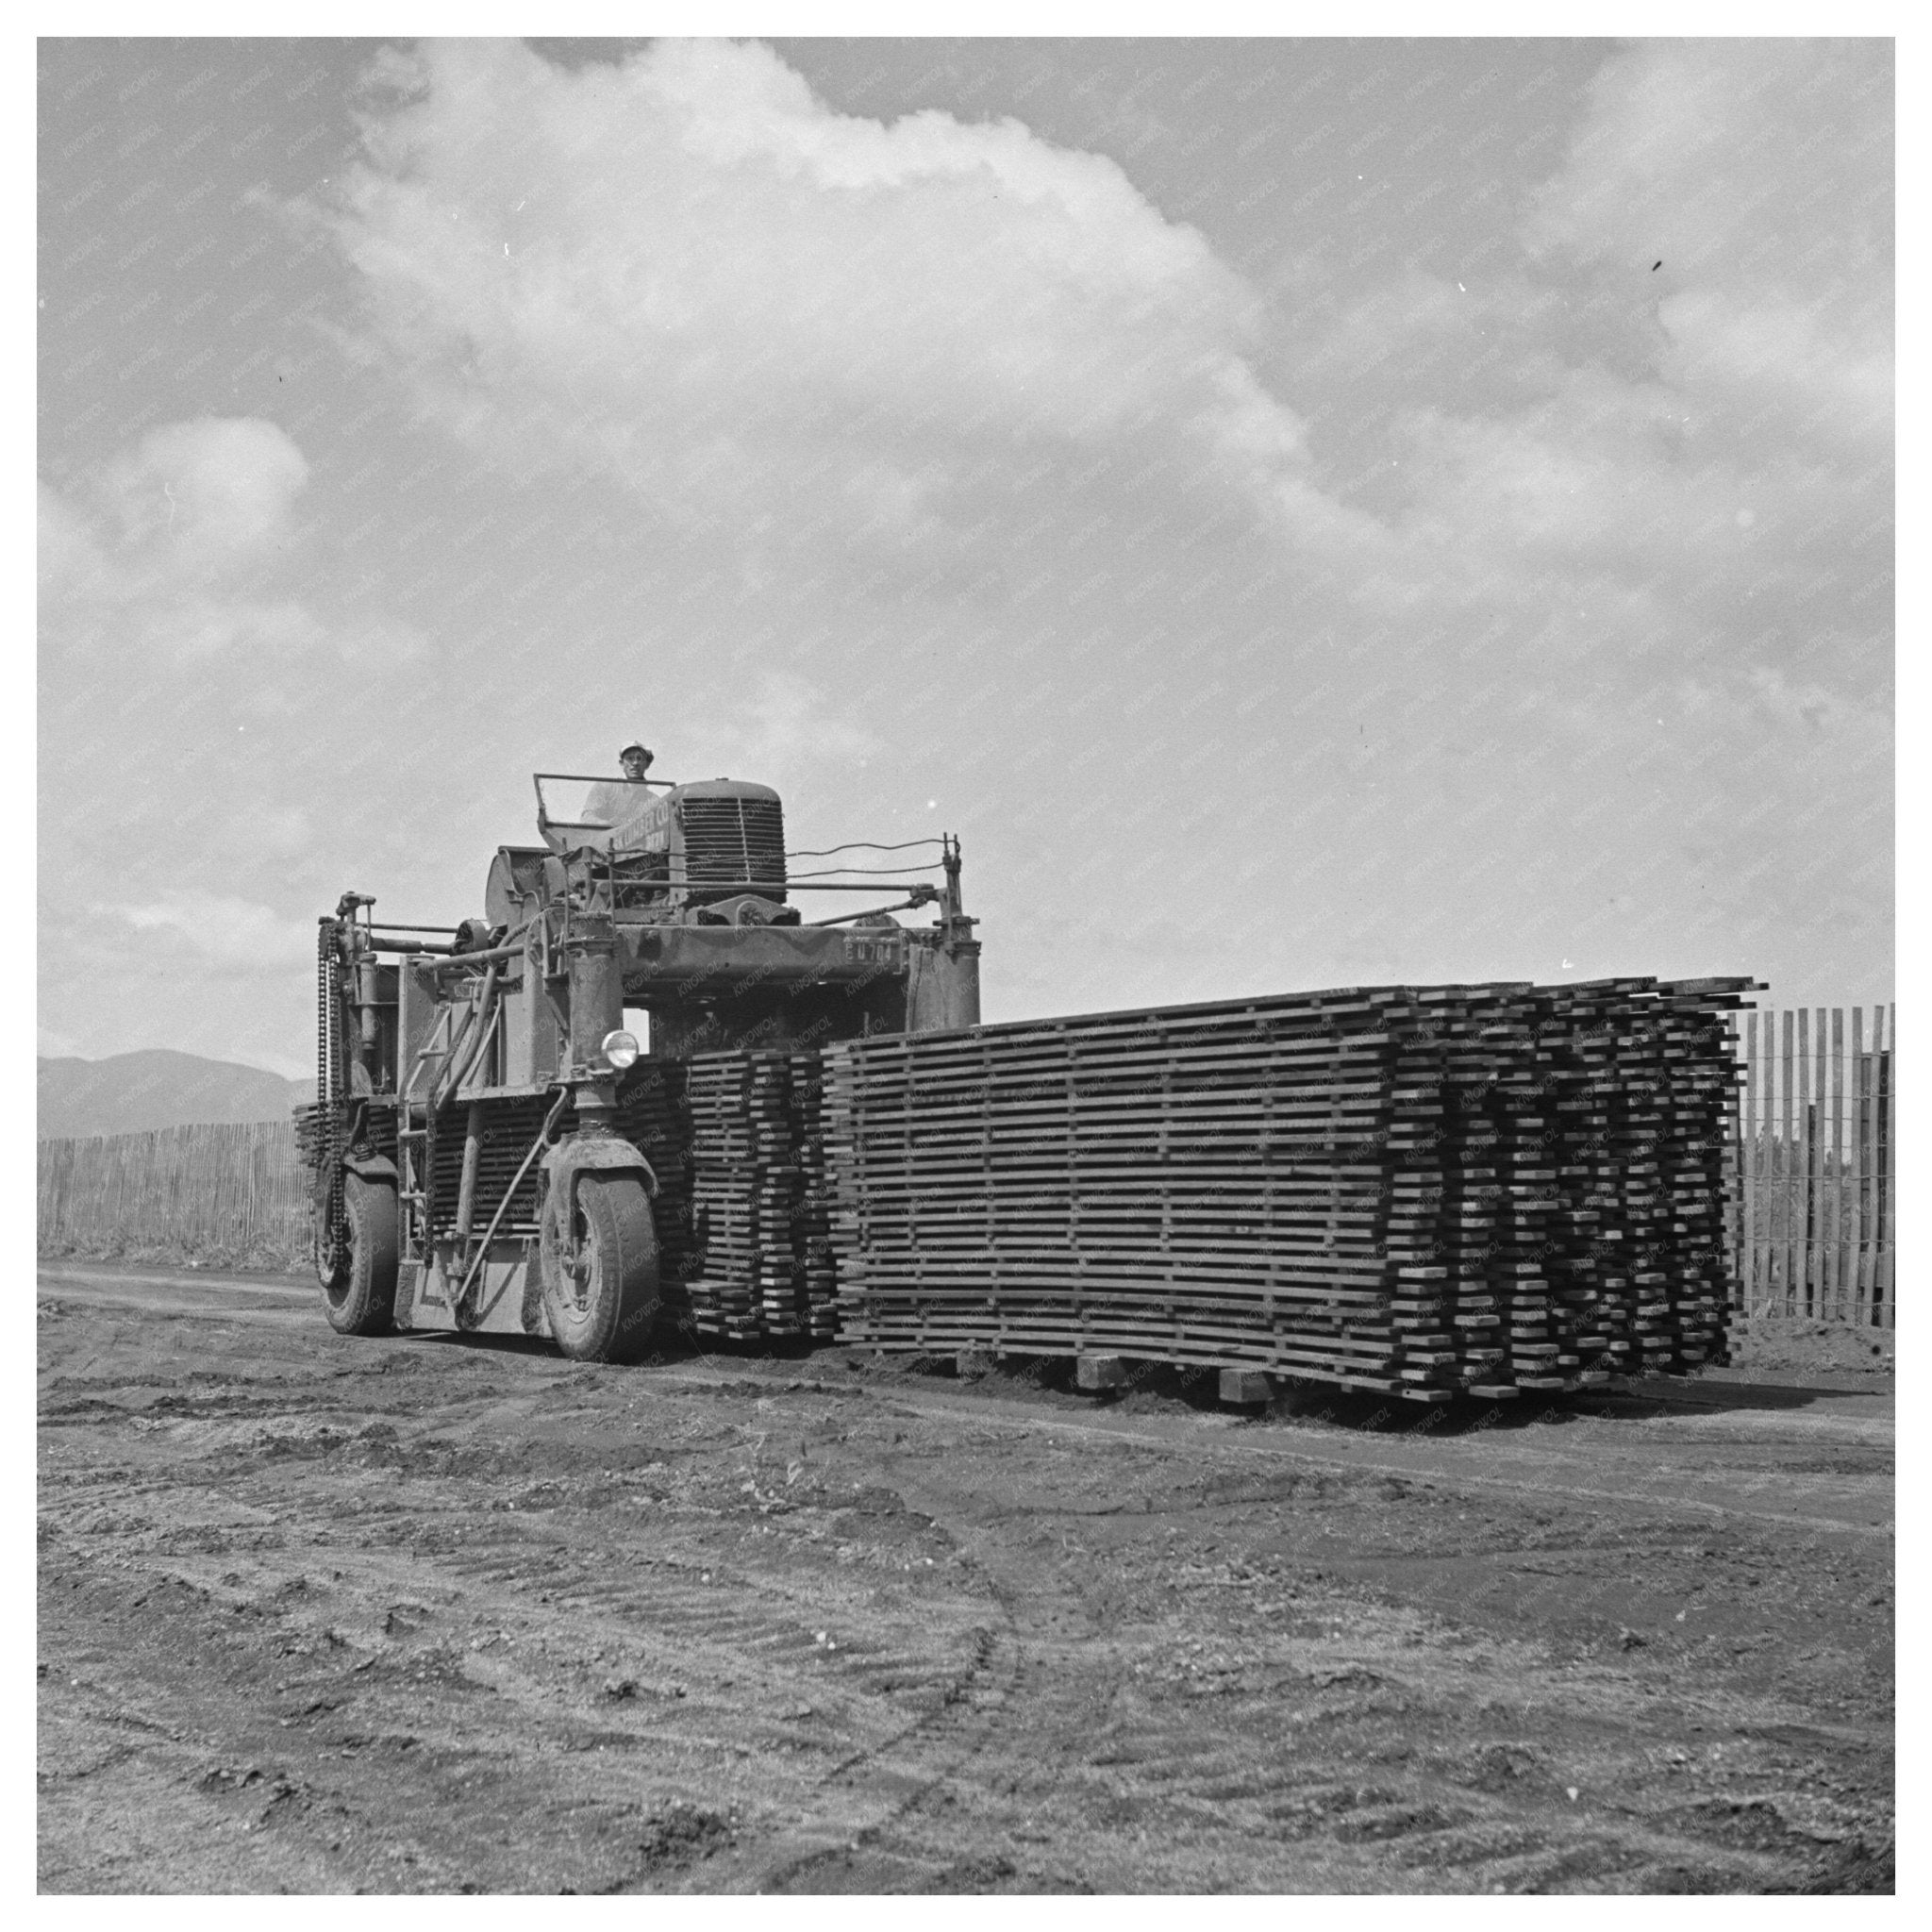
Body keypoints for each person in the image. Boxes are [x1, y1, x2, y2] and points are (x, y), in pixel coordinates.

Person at [584, 742, 656, 839]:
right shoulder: (605, 787)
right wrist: (610, 826)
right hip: (603, 846)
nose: (635, 763)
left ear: (646, 764)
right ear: (621, 763)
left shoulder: (653, 800)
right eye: (630, 758)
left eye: (640, 759)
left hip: (639, 850)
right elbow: (587, 817)